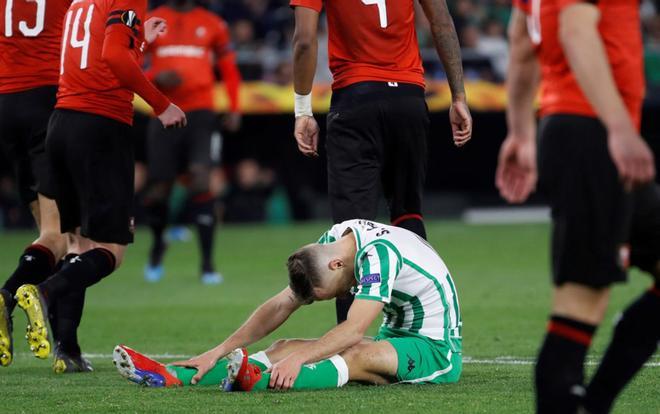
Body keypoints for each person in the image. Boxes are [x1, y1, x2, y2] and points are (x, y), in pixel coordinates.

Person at [496, 1, 660, 413]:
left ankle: (593, 404)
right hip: (593, 136)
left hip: (576, 130)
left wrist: (520, 131)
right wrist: (620, 128)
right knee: (580, 302)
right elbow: (575, 30)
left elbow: (520, 40)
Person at [13, 0, 186, 372]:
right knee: (112, 250)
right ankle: (43, 293)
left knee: (78, 244)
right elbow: (113, 57)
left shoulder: (79, 2)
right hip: (100, 126)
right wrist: (161, 104)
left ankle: (68, 350)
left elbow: (95, 55)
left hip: (60, 123)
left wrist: (141, 43)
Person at [113, 219, 463, 391]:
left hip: (436, 351)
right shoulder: (336, 239)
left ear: (336, 266)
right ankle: (172, 376)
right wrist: (220, 350)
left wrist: (300, 360)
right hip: (398, 337)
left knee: (353, 353)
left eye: (332, 293)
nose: (344, 295)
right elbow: (282, 304)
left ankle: (253, 381)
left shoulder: (379, 257)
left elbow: (354, 330)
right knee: (284, 346)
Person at [290, 0, 473, 323]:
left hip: (355, 98)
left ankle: (347, 343)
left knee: (349, 229)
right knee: (409, 214)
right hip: (409, 99)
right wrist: (458, 97)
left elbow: (305, 40)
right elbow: (442, 23)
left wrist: (303, 110)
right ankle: (425, 326)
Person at [142, 0, 242, 285]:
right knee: (160, 188)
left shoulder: (213, 23)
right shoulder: (152, 18)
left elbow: (229, 68)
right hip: (163, 111)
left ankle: (208, 264)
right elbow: (130, 61)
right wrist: (155, 77)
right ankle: (159, 244)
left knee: (201, 179)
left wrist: (234, 107)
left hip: (201, 113)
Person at [0, 0, 71, 370]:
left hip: (5, 103)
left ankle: (62, 340)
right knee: (60, 236)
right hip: (46, 99)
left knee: (45, 233)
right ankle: (8, 296)